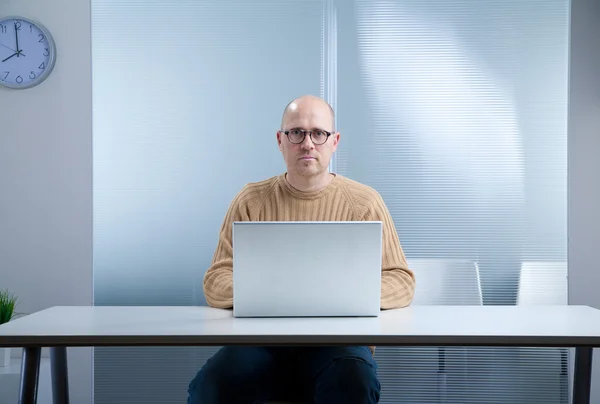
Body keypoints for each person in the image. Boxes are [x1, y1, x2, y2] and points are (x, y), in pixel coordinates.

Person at [187, 95, 416, 404]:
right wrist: (270, 293)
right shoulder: (251, 200)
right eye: (297, 133)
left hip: (340, 343)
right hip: (260, 342)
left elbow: (401, 280)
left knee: (354, 384)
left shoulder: (365, 202)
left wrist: (340, 294)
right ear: (280, 140)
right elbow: (216, 280)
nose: (308, 143)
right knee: (210, 387)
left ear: (334, 142)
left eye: (318, 133)